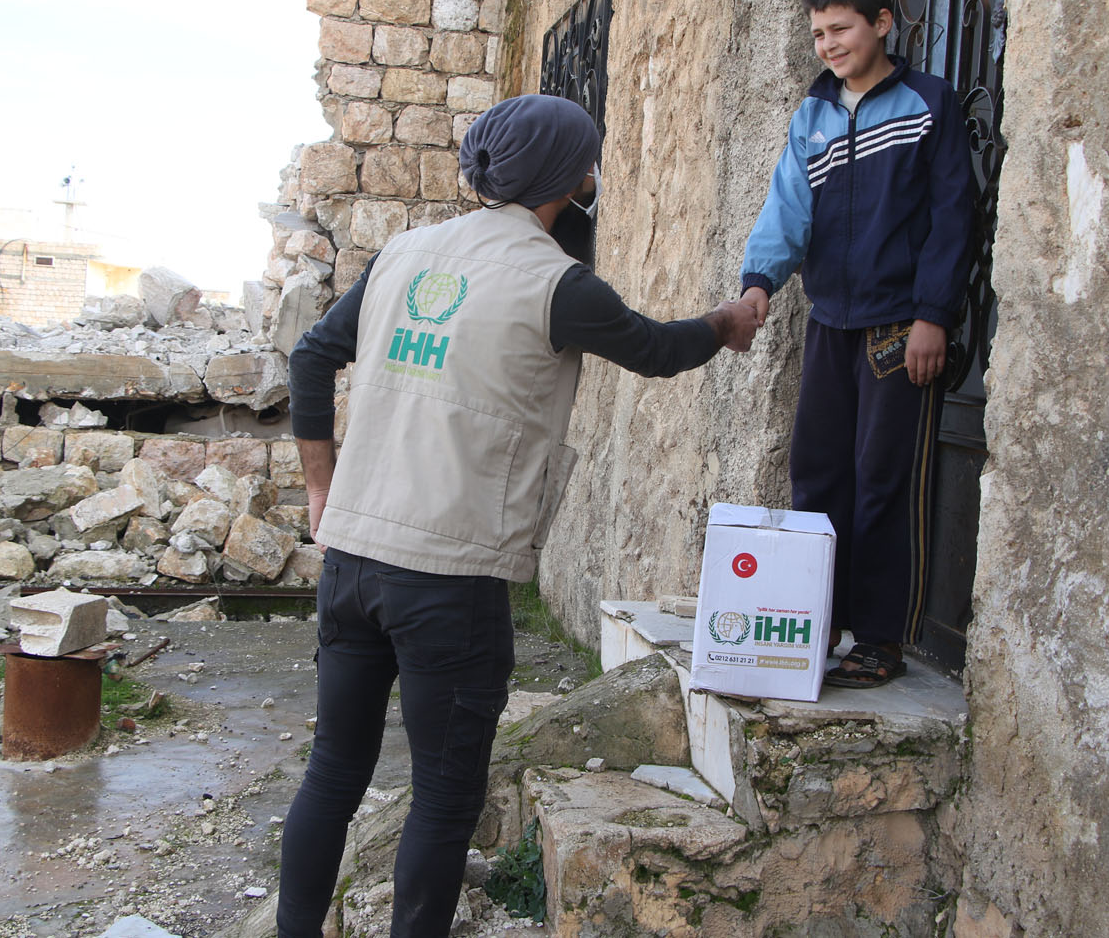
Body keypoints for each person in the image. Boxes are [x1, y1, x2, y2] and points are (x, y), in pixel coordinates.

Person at [276, 93, 760, 937]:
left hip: (352, 560)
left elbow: (312, 356)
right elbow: (656, 349)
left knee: (334, 770)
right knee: (443, 796)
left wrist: (324, 490)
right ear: (573, 179)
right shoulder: (556, 283)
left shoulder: (404, 253)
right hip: (450, 581)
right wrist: (726, 322)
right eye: (589, 168)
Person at [739, 0, 975, 689]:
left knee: (881, 481)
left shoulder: (927, 104)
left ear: (882, 22)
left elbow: (954, 219)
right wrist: (758, 284)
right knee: (816, 475)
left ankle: (879, 637)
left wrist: (934, 314)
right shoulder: (812, 115)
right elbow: (787, 209)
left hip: (898, 331)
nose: (828, 44)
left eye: (840, 28)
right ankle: (815, 624)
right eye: (817, 34)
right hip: (830, 324)